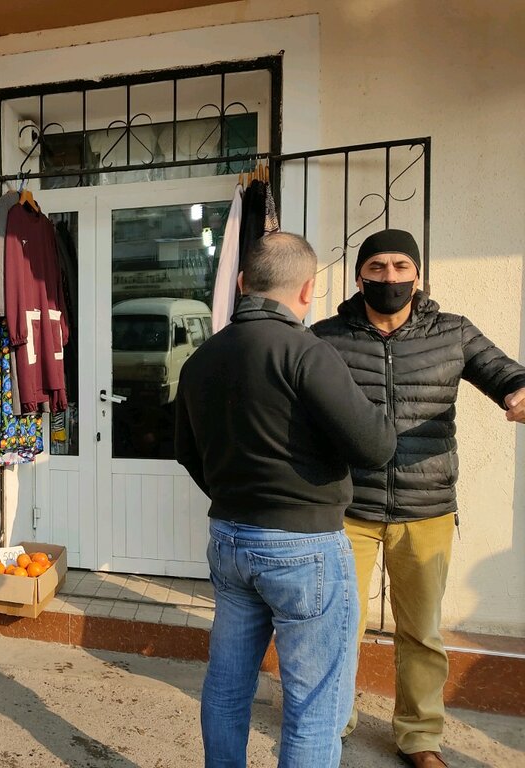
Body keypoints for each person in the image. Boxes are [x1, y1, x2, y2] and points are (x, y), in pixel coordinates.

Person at [175, 232, 396, 768]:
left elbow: (186, 452)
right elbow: (376, 446)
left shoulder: (201, 357)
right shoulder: (305, 352)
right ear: (307, 290)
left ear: (243, 283)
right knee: (315, 706)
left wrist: (235, 494)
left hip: (230, 539)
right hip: (304, 546)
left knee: (228, 688)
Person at [311, 229, 525, 768]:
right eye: (377, 267)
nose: (389, 277)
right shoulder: (325, 338)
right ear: (358, 277)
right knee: (338, 627)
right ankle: (328, 727)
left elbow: (503, 371)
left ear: (418, 274)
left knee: (421, 633)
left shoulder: (453, 332)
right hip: (348, 507)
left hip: (426, 507)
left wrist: (520, 391)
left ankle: (419, 736)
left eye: (400, 266)